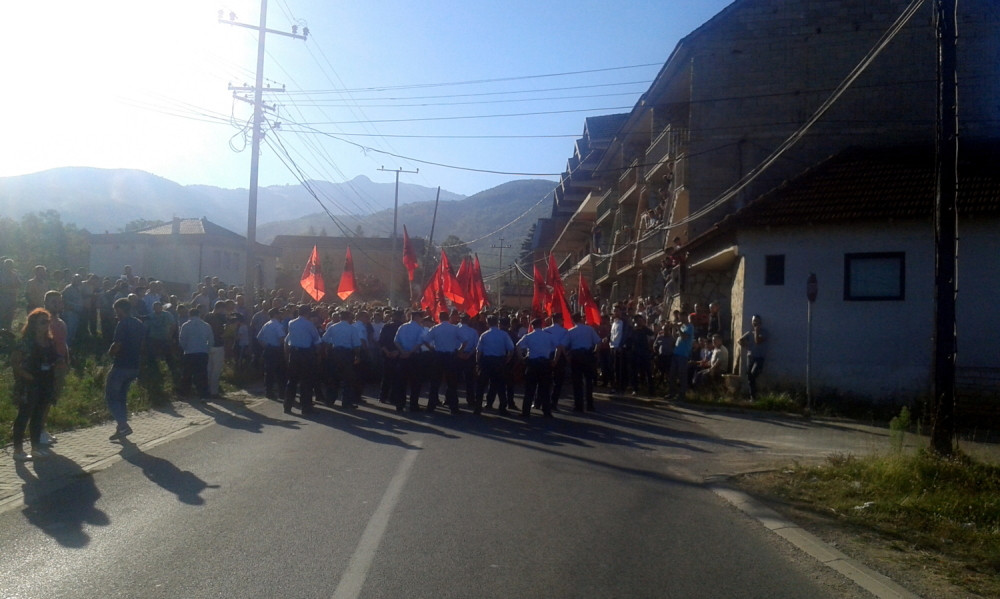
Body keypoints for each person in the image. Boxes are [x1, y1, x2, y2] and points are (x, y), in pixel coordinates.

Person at [9, 309, 60, 461]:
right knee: (24, 415)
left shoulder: (49, 341)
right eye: (43, 322)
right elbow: (14, 363)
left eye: (48, 321)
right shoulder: (26, 342)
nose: (47, 325)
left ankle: (35, 447)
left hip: (46, 381)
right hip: (30, 383)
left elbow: (54, 359)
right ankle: (18, 450)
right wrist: (27, 376)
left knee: (38, 416)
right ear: (34, 325)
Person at [106, 298, 145, 441]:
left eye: (116, 310)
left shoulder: (123, 324)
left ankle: (123, 425)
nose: (115, 313)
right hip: (134, 365)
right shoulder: (139, 323)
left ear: (120, 309)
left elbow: (117, 344)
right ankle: (120, 429)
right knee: (122, 397)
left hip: (121, 365)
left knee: (111, 397)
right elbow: (142, 345)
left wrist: (110, 353)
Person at [516, 317, 558, 418]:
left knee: (529, 389)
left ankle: (526, 412)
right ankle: (547, 412)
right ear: (542, 325)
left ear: (532, 326)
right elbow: (559, 347)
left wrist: (522, 358)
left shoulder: (528, 336)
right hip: (545, 363)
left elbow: (517, 346)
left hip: (533, 364)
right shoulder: (549, 336)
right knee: (545, 389)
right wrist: (555, 360)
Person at [284, 304, 321, 415]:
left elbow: (289, 338)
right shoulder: (309, 324)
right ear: (307, 313)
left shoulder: (291, 323)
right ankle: (306, 407)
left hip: (294, 353)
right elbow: (316, 340)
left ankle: (287, 406)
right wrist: (318, 354)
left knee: (292, 381)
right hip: (306, 354)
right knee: (306, 381)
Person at [424, 311, 462, 414]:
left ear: (439, 318)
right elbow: (465, 340)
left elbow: (425, 340)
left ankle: (431, 406)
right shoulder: (455, 328)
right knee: (452, 383)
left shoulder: (435, 328)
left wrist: (432, 349)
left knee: (435, 382)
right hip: (451, 356)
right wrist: (459, 350)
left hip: (439, 355)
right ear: (448, 318)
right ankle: (453, 407)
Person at [475, 314, 514, 415]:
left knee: (481, 385)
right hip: (499, 361)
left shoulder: (484, 335)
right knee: (500, 385)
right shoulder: (504, 334)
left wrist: (478, 363)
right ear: (497, 323)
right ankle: (502, 407)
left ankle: (478, 407)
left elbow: (479, 351)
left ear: (487, 323)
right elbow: (511, 349)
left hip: (487, 361)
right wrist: (507, 359)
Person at [322, 310, 361, 408]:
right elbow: (356, 344)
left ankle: (330, 400)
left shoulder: (333, 327)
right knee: (348, 379)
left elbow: (324, 339)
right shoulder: (352, 329)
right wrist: (357, 355)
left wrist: (327, 350)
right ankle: (346, 402)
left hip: (335, 352)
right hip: (347, 354)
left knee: (333, 377)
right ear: (349, 318)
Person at [564, 312, 602, 412]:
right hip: (588, 355)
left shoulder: (570, 331)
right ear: (581, 319)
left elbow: (563, 345)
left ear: (572, 320)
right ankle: (590, 405)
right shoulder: (589, 329)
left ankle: (578, 406)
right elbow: (598, 342)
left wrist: (567, 356)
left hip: (576, 356)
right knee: (589, 381)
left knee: (577, 382)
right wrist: (595, 353)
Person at [393, 309, 429, 412]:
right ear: (417, 317)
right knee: (415, 382)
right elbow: (419, 343)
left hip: (403, 356)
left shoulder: (402, 327)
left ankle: (400, 404)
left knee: (401, 382)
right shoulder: (420, 329)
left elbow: (396, 341)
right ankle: (413, 405)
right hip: (414, 357)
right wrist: (410, 352)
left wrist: (403, 352)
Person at [179, 307, 212, 400]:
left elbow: (182, 340)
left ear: (189, 315)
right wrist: (207, 349)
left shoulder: (185, 325)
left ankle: (185, 393)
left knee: (187, 374)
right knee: (202, 374)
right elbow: (211, 340)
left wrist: (185, 348)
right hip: (202, 352)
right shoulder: (206, 325)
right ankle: (203, 394)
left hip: (189, 352)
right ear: (199, 315)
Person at [255, 307, 286, 400]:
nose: (280, 315)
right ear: (276, 315)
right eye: (279, 314)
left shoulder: (266, 325)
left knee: (269, 372)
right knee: (281, 373)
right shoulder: (278, 325)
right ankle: (282, 393)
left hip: (268, 349)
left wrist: (266, 346)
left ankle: (269, 392)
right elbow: (281, 338)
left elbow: (259, 337)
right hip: (277, 350)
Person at [203, 300, 229, 398]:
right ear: (221, 308)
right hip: (218, 345)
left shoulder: (207, 316)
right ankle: (214, 391)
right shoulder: (222, 318)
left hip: (207, 345)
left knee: (208, 369)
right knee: (216, 370)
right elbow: (224, 331)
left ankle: (206, 390)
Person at [666, 313, 694, 401]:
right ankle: (672, 392)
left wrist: (678, 327)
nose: (680, 319)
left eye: (682, 317)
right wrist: (674, 328)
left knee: (682, 374)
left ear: (686, 317)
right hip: (676, 353)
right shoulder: (682, 326)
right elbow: (675, 336)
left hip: (683, 354)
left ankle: (682, 394)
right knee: (672, 374)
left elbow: (684, 337)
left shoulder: (690, 327)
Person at [739, 314, 767, 402]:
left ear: (760, 322)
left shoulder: (764, 332)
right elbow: (739, 340)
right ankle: (753, 397)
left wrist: (757, 331)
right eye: (754, 321)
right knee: (750, 377)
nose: (755, 322)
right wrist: (746, 346)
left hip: (759, 357)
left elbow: (757, 341)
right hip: (750, 357)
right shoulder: (749, 333)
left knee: (753, 373)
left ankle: (757, 394)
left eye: (757, 321)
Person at [0, 258, 22, 330]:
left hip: (12, 296)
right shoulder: (1, 274)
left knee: (11, 313)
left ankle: (8, 328)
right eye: (7, 265)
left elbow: (19, 284)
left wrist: (12, 285)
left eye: (10, 265)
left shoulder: (14, 274)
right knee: (2, 313)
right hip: (3, 296)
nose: (9, 267)